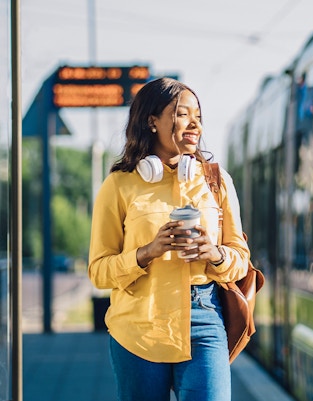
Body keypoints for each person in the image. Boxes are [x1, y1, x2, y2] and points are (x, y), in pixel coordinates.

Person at [88, 77, 250, 401]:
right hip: (137, 326)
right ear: (151, 121)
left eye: (199, 117)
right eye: (182, 114)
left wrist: (214, 253)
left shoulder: (216, 181)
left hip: (204, 319)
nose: (195, 124)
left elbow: (240, 259)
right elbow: (98, 271)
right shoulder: (119, 184)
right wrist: (146, 253)